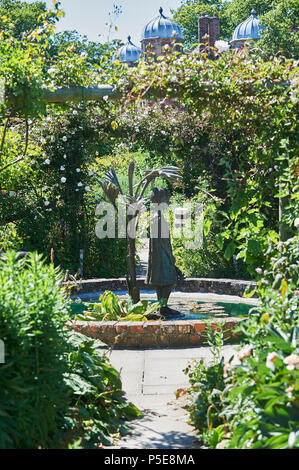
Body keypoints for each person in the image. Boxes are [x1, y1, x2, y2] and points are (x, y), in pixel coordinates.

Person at [146, 187, 183, 318]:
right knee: (170, 280)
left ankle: (162, 306)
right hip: (162, 255)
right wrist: (171, 258)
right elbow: (164, 242)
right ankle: (163, 307)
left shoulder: (155, 217)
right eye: (167, 200)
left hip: (157, 255)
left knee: (161, 281)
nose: (168, 203)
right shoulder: (159, 218)